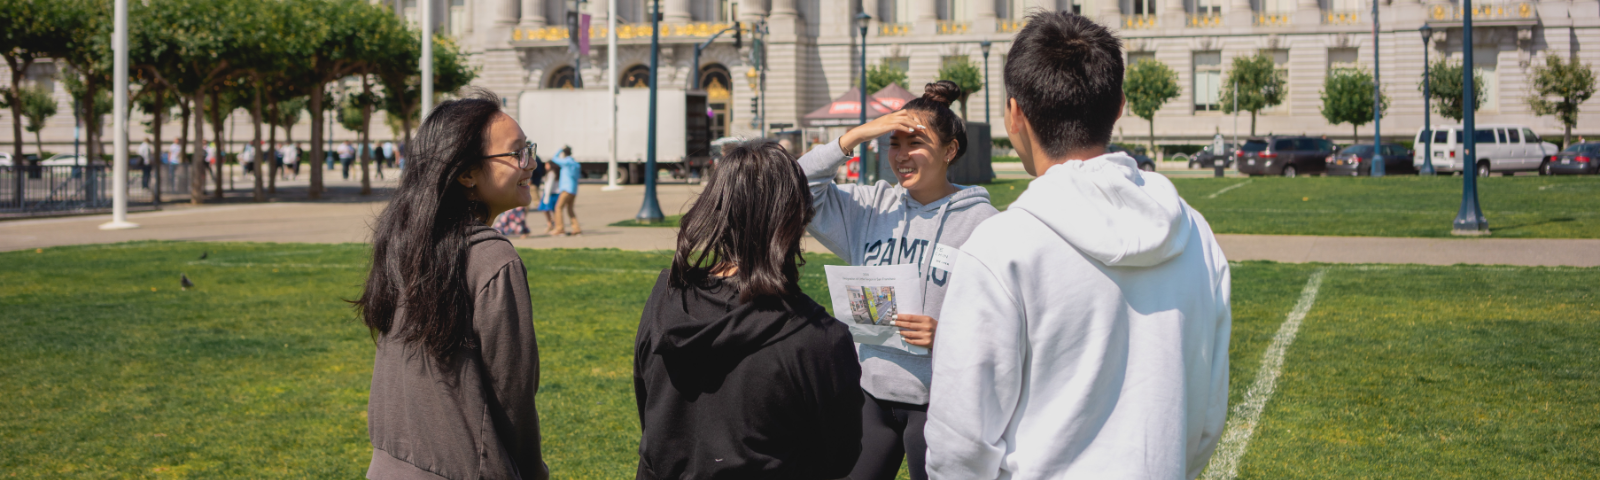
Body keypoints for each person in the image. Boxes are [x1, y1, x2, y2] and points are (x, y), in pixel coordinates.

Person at [924, 13, 1231, 480]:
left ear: (1015, 114)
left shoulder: (999, 249)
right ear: (1120, 105)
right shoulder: (1196, 234)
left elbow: (959, 445)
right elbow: (1207, 415)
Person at [794, 80, 998, 480]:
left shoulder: (982, 223)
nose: (902, 156)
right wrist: (852, 137)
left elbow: (1006, 325)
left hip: (940, 400)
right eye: (894, 143)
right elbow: (796, 184)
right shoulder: (870, 207)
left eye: (915, 144)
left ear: (950, 150)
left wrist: (947, 335)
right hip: (870, 392)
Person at [634, 140, 863, 480]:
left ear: (716, 207)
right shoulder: (818, 339)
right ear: (797, 216)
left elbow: (649, 409)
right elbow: (840, 454)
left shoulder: (667, 298)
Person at [355, 90, 548, 480]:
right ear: (467, 173)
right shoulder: (493, 259)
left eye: (529, 149)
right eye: (517, 153)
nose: (531, 163)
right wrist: (532, 471)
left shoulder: (403, 243)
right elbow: (513, 395)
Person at [549, 146, 581, 235]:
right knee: (570, 209)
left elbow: (554, 158)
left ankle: (560, 228)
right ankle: (576, 228)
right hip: (574, 189)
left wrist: (560, 149)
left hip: (566, 188)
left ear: (564, 153)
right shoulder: (575, 163)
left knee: (558, 207)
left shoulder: (566, 162)